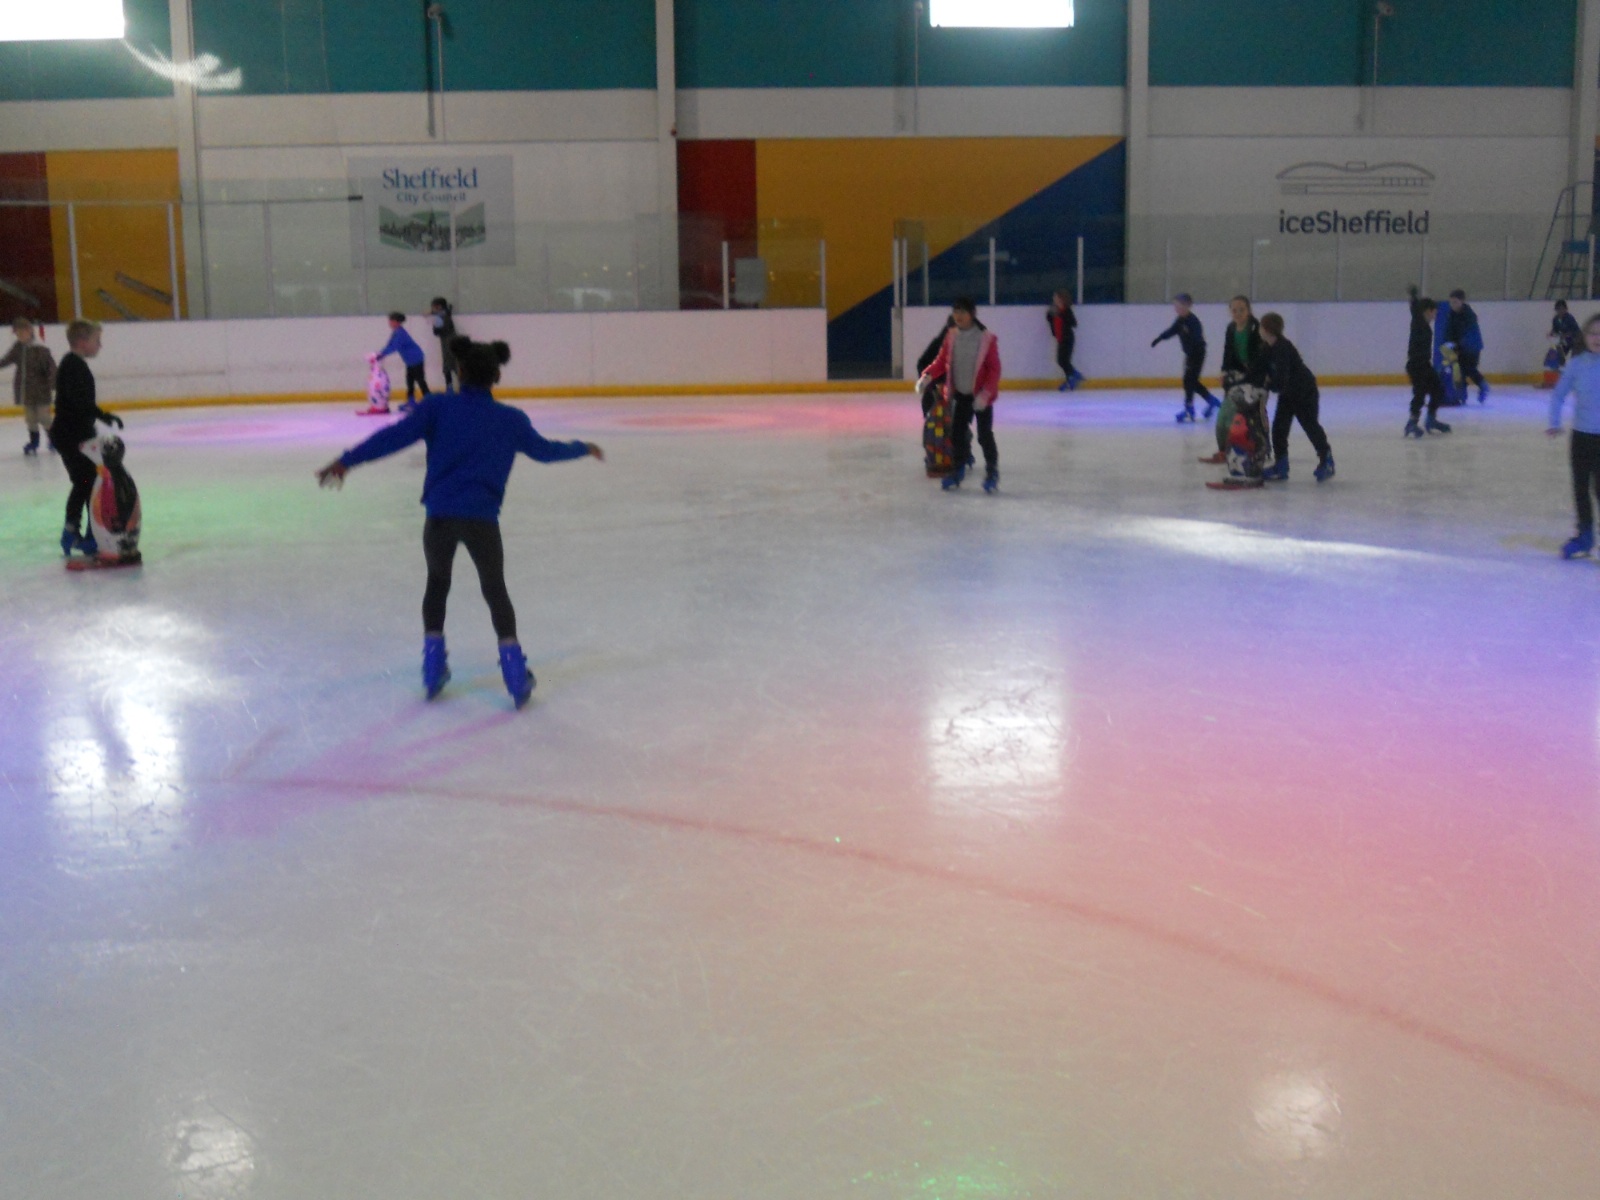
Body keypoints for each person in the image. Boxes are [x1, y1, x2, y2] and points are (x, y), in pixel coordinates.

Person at [316, 336, 604, 707]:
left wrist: (347, 460)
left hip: (440, 517)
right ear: (496, 376)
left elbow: (393, 437)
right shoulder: (511, 420)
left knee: (437, 584)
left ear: (460, 371)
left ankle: (433, 667)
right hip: (482, 520)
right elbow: (545, 452)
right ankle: (515, 674)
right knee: (494, 589)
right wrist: (583, 447)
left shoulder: (437, 407)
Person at [50, 321, 123, 556]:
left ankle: (75, 532)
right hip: (71, 435)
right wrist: (101, 416)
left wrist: (99, 418)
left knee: (86, 482)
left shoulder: (73, 364)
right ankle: (82, 534)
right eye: (96, 340)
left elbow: (80, 402)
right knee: (88, 483)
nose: (100, 345)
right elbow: (78, 402)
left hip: (73, 433)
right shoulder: (73, 365)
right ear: (82, 342)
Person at [916, 297, 1003, 493]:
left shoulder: (986, 339)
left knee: (984, 435)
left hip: (981, 398)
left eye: (962, 311)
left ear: (972, 314)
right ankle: (958, 468)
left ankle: (992, 471)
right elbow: (941, 362)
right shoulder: (951, 336)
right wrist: (927, 376)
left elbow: (994, 370)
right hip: (962, 396)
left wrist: (985, 395)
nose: (958, 316)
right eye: (955, 312)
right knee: (957, 434)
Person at [1257, 312, 1335, 483]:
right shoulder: (1266, 347)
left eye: (1261, 326)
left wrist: (1268, 384)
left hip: (1304, 391)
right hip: (1288, 393)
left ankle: (1326, 459)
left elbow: (1280, 380)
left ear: (1267, 329)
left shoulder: (1283, 348)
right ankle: (1281, 465)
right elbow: (1260, 369)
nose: (1259, 330)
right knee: (1279, 429)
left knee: (1310, 425)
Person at [1547, 313, 1600, 559]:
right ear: (1585, 336)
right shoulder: (1577, 364)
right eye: (1593, 333)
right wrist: (1554, 422)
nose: (1597, 338)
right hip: (1581, 437)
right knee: (1580, 488)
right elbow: (1558, 395)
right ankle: (1585, 536)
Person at [1202, 295, 1264, 464]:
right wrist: (1225, 372)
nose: (1237, 313)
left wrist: (1251, 377)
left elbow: (1260, 358)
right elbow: (1228, 353)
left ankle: (1260, 449)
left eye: (1241, 310)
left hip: (1255, 379)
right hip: (1237, 378)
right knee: (1225, 415)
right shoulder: (1231, 328)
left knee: (1254, 416)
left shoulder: (1256, 329)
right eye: (1234, 310)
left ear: (1249, 310)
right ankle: (1224, 450)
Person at [1151, 293, 1218, 423]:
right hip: (1190, 355)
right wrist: (1159, 338)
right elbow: (1171, 331)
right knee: (1191, 381)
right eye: (1175, 306)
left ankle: (1190, 407)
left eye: (1178, 306)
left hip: (1197, 354)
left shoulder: (1193, 321)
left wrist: (1192, 352)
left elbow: (1197, 339)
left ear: (1187, 306)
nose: (1176, 309)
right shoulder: (1180, 320)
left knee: (1189, 381)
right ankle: (1210, 401)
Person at [2, 317, 56, 456]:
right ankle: (34, 442)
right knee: (30, 419)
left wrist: (53, 384)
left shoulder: (40, 349)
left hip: (41, 391)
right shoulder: (17, 348)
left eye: (22, 333)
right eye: (17, 334)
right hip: (25, 391)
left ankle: (54, 439)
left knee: (44, 417)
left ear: (30, 331)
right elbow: (6, 360)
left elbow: (51, 368)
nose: (20, 336)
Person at [1405, 288, 1450, 437]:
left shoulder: (1424, 324)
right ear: (1427, 311)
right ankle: (1412, 422)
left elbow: (1416, 309)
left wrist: (1414, 298)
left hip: (1425, 364)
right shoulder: (1418, 323)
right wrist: (1414, 298)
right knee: (1420, 392)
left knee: (1438, 389)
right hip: (1416, 365)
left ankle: (1431, 419)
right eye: (1434, 312)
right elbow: (1415, 311)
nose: (1435, 315)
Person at [1438, 289, 1488, 403]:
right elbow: (1449, 331)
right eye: (1451, 302)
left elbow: (1467, 333)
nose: (1453, 305)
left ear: (1462, 301)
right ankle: (1462, 394)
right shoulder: (1452, 314)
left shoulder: (1468, 315)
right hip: (1461, 347)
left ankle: (1481, 385)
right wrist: (1447, 343)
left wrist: (1456, 345)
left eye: (1455, 302)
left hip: (1472, 348)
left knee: (1467, 368)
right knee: (1459, 370)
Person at [376, 312, 429, 411]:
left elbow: (394, 347)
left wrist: (381, 354)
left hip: (416, 358)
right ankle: (411, 401)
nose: (389, 322)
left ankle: (429, 400)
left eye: (391, 320)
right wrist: (380, 353)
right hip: (410, 361)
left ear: (397, 322)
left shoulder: (400, 333)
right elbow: (389, 345)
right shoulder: (396, 332)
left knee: (420, 380)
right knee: (409, 381)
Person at [1047, 290, 1084, 391]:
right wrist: (1052, 313)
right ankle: (1072, 376)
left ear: (1061, 299)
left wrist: (1062, 314)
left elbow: (1074, 323)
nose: (1054, 299)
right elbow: (1049, 318)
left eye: (1056, 297)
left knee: (1063, 361)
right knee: (1062, 360)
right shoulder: (1054, 309)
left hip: (1067, 338)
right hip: (1060, 338)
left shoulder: (1067, 310)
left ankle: (1073, 376)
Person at [430, 297, 459, 392]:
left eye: (434, 307)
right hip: (454, 342)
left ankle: (450, 389)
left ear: (439, 307)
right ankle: (461, 387)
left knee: (448, 366)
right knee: (455, 365)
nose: (433, 309)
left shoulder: (439, 317)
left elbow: (436, 332)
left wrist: (433, 319)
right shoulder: (445, 313)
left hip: (447, 344)